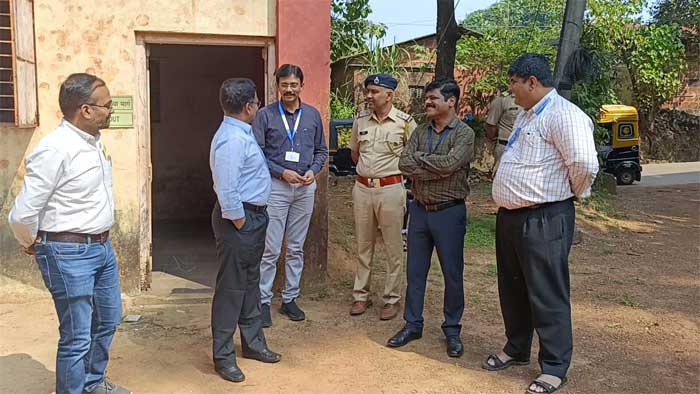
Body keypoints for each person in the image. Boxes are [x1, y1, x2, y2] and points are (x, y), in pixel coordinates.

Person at [483, 53, 598, 394]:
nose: (511, 92)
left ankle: (554, 366)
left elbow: (583, 165)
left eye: (514, 84)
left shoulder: (565, 115)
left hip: (545, 217)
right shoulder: (525, 115)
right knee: (513, 287)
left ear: (532, 82)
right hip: (512, 218)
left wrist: (565, 197)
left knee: (547, 292)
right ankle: (516, 347)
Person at [8, 73, 131, 394]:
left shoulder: (92, 144)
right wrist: (32, 242)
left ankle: (92, 383)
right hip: (67, 252)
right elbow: (22, 212)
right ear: (86, 110)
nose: (111, 110)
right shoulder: (55, 149)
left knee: (107, 319)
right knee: (77, 334)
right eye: (107, 105)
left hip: (102, 248)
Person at [387, 79, 475, 358]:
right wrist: (436, 167)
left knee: (452, 274)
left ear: (451, 101)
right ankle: (412, 324)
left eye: (433, 99)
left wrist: (422, 162)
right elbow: (404, 163)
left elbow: (451, 164)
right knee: (415, 273)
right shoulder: (421, 130)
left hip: (449, 212)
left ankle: (452, 330)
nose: (427, 103)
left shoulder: (464, 133)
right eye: (426, 99)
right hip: (419, 211)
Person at [210, 78, 281, 383]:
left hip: (251, 219)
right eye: (256, 102)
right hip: (239, 221)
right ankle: (223, 357)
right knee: (232, 288)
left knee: (250, 284)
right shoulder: (232, 139)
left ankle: (253, 344)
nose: (258, 106)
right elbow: (226, 189)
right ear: (249, 106)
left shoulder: (240, 132)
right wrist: (241, 223)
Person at [253, 64, 328, 326]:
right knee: (270, 248)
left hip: (305, 188)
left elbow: (321, 151)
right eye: (284, 84)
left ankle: (289, 299)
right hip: (277, 187)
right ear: (277, 86)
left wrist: (314, 171)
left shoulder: (313, 115)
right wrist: (280, 172)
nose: (289, 89)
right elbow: (258, 153)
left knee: (296, 247)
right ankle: (262, 300)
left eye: (293, 84)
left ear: (301, 86)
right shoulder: (265, 115)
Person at [348, 73, 417, 320]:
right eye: (368, 91)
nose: (369, 96)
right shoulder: (360, 121)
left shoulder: (405, 122)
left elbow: (412, 156)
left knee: (393, 247)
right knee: (363, 245)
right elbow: (355, 154)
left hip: (391, 189)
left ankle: (391, 299)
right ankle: (360, 296)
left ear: (389, 94)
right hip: (363, 189)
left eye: (374, 91)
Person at [485, 89, 521, 175]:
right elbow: (490, 125)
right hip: (504, 147)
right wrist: (493, 142)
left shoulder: (534, 99)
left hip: (527, 149)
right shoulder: (502, 99)